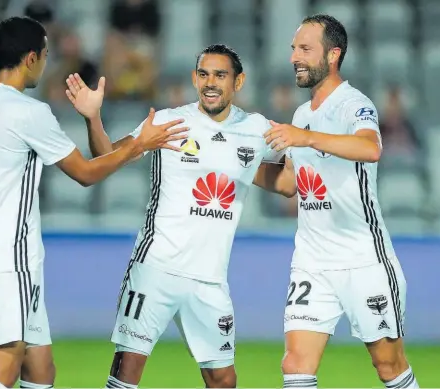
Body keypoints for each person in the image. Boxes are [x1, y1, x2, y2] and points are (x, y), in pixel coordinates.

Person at [0, 16, 187, 389]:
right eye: (44, 55)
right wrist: (140, 145)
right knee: (4, 366)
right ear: (31, 58)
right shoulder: (28, 111)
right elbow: (86, 174)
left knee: (40, 370)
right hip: (12, 255)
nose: (45, 63)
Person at [64, 44, 285, 388]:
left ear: (238, 82)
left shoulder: (255, 129)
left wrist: (308, 145)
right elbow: (105, 156)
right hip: (156, 267)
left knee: (223, 380)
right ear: (195, 79)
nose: (210, 82)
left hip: (209, 279)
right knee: (126, 374)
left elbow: (287, 184)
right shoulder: (169, 121)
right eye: (204, 74)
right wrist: (93, 117)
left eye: (220, 75)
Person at [253, 14, 419, 388]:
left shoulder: (353, 104)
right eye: (294, 48)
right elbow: (289, 183)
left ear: (332, 55)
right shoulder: (301, 114)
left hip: (363, 257)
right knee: (296, 364)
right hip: (312, 260)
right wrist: (237, 167)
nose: (295, 56)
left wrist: (307, 138)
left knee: (388, 366)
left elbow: (370, 148)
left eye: (305, 49)